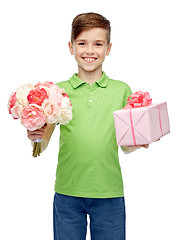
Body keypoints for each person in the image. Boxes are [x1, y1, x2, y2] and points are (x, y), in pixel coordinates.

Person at [27, 12, 148, 240]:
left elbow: (126, 146)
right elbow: (43, 143)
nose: (90, 51)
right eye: (82, 43)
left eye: (98, 44)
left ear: (108, 48)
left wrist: (139, 142)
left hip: (109, 192)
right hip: (67, 193)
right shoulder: (57, 91)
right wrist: (35, 137)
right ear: (71, 47)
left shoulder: (121, 90)